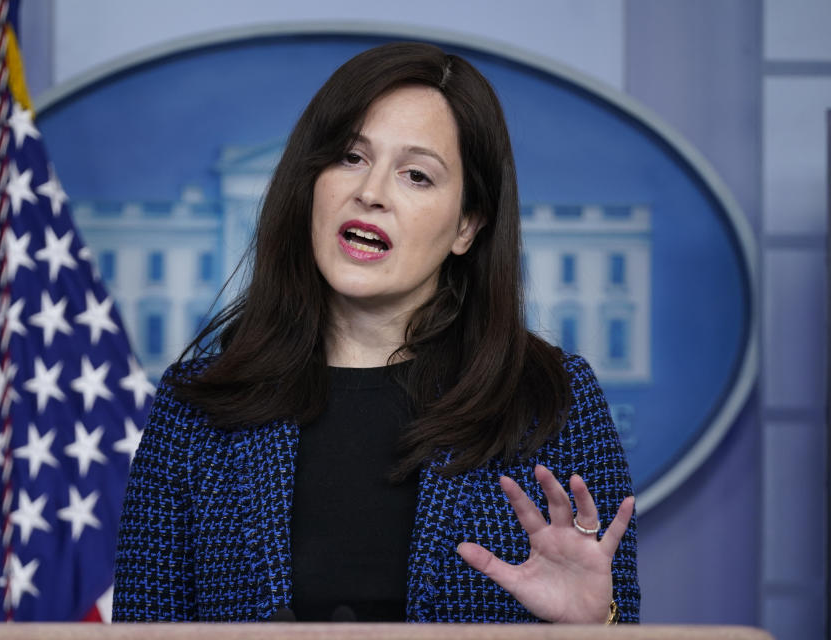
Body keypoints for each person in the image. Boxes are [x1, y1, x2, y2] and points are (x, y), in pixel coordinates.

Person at [112, 41, 639, 624]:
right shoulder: (195, 409)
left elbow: (620, 622)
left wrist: (594, 630)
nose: (371, 192)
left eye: (416, 175)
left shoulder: (553, 399)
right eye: (350, 157)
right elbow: (144, 627)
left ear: (467, 225)